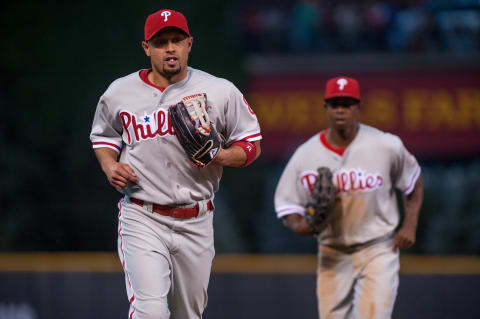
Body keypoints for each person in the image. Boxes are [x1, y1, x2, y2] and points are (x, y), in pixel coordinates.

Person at [89, 9, 262, 319]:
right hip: (143, 214)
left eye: (177, 40)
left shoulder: (219, 90)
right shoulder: (120, 92)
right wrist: (109, 166)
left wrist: (219, 156)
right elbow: (103, 138)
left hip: (196, 219)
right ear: (146, 48)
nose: (170, 48)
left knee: (187, 314)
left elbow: (252, 145)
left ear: (189, 44)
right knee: (151, 311)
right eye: (160, 42)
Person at [274, 76, 423, 319]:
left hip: (378, 248)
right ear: (326, 108)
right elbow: (287, 206)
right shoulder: (306, 154)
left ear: (358, 107)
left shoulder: (386, 145)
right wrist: (301, 225)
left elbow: (414, 181)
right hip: (332, 252)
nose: (341, 110)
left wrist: (410, 225)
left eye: (347, 103)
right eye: (335, 104)